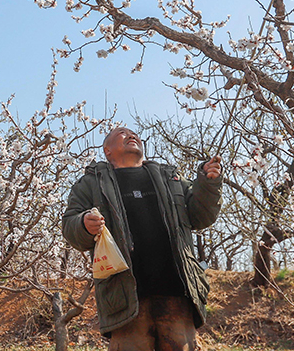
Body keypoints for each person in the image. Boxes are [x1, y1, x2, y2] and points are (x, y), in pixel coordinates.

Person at [63, 126, 222, 351]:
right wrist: (83, 224)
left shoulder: (170, 178)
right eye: (122, 134)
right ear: (107, 150)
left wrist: (208, 183)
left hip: (177, 293)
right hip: (125, 299)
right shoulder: (91, 183)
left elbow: (201, 217)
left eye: (134, 133)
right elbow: (70, 226)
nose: (131, 135)